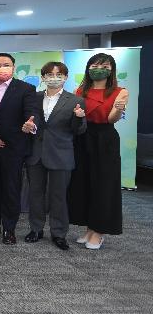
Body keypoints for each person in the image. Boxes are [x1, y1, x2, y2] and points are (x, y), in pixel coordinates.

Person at [68, 53, 129, 250]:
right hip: (83, 137)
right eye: (94, 65)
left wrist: (118, 109)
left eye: (104, 66)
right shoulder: (80, 90)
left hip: (105, 139)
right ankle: (89, 228)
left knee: (104, 184)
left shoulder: (120, 92)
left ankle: (99, 231)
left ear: (111, 69)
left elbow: (112, 119)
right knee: (84, 182)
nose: (98, 69)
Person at [25, 62, 86, 251]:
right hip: (35, 153)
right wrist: (27, 127)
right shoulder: (33, 98)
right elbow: (28, 122)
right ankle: (36, 229)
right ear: (43, 77)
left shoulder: (75, 100)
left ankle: (59, 233)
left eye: (58, 74)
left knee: (58, 196)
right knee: (35, 194)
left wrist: (79, 117)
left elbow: (79, 130)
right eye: (49, 74)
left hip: (61, 154)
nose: (54, 78)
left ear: (65, 77)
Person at [0, 53, 35, 245]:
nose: (1, 68)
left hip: (13, 149)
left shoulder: (26, 89)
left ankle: (9, 229)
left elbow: (31, 115)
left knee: (11, 189)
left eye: (6, 64)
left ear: (13, 67)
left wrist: (30, 126)